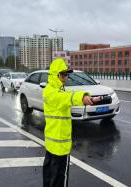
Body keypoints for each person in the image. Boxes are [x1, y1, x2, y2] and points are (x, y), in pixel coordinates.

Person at [42, 58, 100, 187]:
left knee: (50, 175)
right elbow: (66, 98)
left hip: (52, 143)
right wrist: (82, 97)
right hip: (60, 144)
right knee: (59, 179)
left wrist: (86, 97)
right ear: (55, 75)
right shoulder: (51, 92)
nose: (66, 77)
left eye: (67, 74)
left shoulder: (56, 90)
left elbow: (68, 95)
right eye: (63, 74)